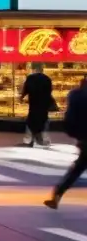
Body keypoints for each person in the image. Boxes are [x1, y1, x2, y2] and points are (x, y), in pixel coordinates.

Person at [45, 77, 87, 210]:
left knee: (77, 168)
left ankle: (58, 193)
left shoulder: (76, 95)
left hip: (85, 138)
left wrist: (77, 135)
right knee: (78, 167)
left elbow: (69, 117)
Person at [21, 63, 54, 147]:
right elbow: (50, 91)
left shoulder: (30, 78)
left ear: (34, 69)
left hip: (33, 103)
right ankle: (40, 139)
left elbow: (25, 90)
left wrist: (21, 97)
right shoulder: (47, 79)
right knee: (42, 120)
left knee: (32, 120)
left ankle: (32, 139)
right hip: (43, 104)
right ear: (42, 69)